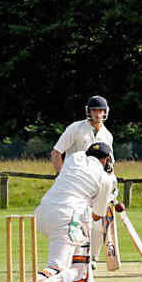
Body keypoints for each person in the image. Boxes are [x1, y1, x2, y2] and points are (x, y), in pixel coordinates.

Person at [16, 142, 115, 282]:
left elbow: (75, 182)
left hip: (42, 213)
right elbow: (97, 215)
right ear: (106, 160)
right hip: (66, 218)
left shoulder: (74, 158)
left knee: (79, 249)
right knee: (59, 268)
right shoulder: (105, 179)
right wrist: (105, 199)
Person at [51, 95, 115, 269]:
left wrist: (111, 190)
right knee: (73, 222)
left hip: (96, 186)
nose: (97, 114)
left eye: (101, 110)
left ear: (106, 112)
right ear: (89, 111)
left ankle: (91, 259)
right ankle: (69, 257)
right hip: (76, 185)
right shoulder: (76, 128)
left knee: (96, 223)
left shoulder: (107, 135)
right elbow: (57, 152)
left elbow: (109, 165)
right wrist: (61, 176)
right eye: (95, 110)